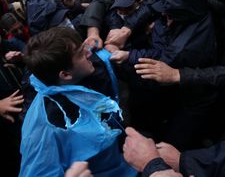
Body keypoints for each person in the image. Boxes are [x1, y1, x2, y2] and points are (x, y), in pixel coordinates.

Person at [19, 27, 137, 176]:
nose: (89, 52)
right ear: (65, 74)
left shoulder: (81, 73)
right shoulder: (44, 126)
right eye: (82, 53)